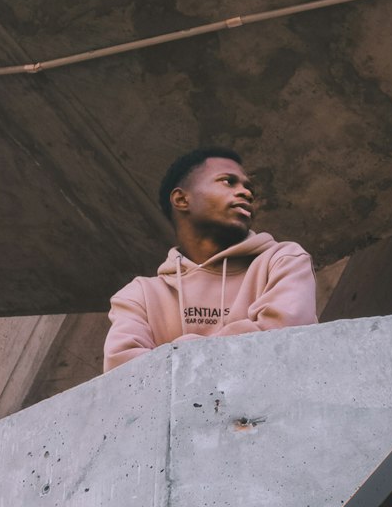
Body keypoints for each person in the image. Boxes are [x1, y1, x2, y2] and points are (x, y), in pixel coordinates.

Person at [103, 147, 317, 371]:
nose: (246, 193)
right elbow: (123, 372)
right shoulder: (139, 295)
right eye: (228, 181)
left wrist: (175, 354)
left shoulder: (284, 260)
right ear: (181, 199)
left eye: (248, 187)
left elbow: (286, 339)